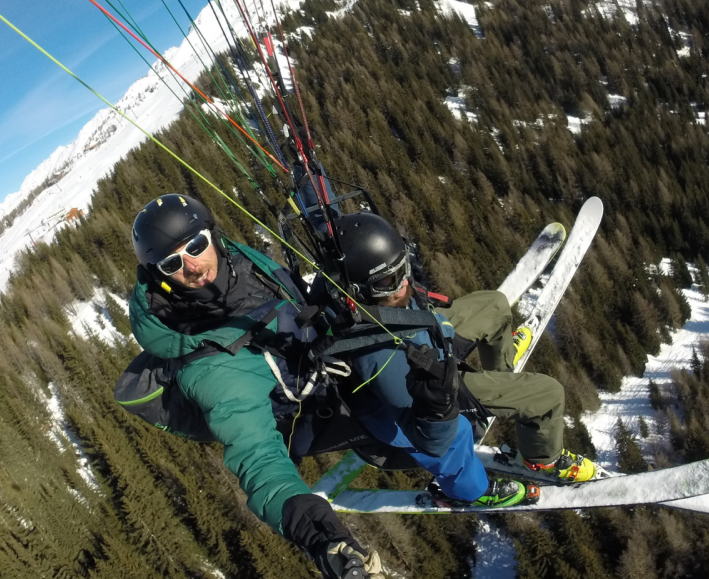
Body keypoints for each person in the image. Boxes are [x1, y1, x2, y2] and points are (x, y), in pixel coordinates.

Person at [125, 194, 531, 579]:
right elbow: (259, 463)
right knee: (451, 428)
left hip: (335, 350)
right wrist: (325, 539)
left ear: (212, 235)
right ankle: (468, 489)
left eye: (196, 245)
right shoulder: (213, 371)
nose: (193, 266)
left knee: (474, 312)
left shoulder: (237, 262)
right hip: (328, 409)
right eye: (172, 263)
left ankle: (468, 364)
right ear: (159, 276)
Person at [332, 212, 598, 482]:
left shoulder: (351, 284)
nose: (403, 283)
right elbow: (430, 437)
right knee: (548, 395)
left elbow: (324, 217)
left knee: (495, 305)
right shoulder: (379, 359)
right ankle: (543, 459)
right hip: (434, 383)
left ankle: (501, 375)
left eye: (403, 269)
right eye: (387, 281)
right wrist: (443, 402)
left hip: (424, 333)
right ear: (359, 288)